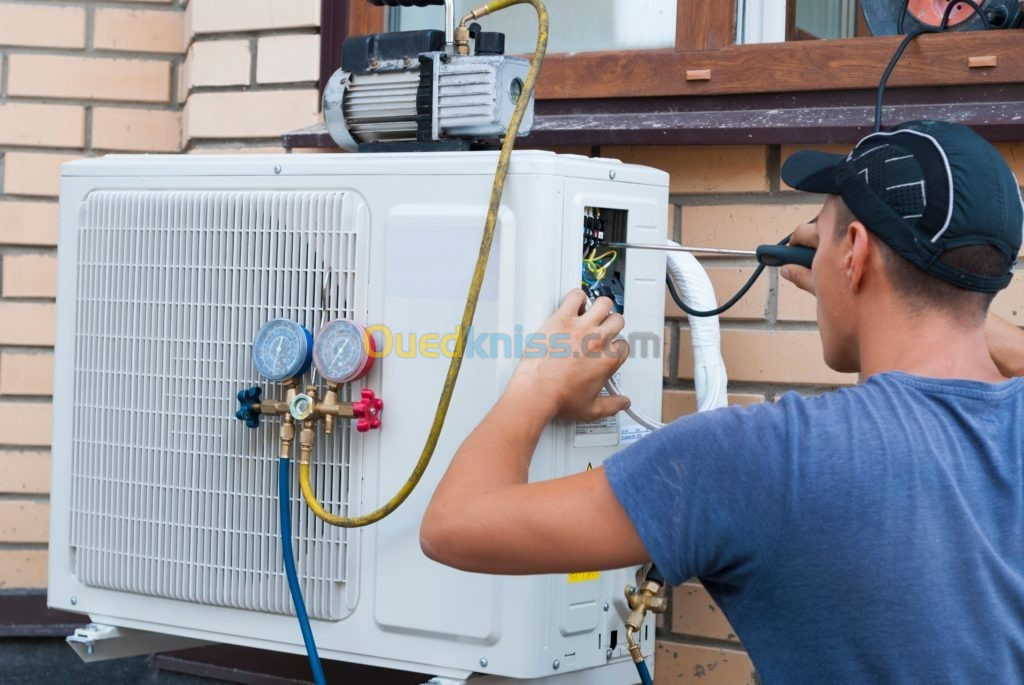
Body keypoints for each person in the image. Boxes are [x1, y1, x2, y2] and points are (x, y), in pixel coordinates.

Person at [420, 120, 1024, 682]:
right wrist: (917, 292)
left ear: (855, 250)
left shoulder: (763, 457)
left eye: (825, 230)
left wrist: (540, 380)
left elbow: (453, 526)